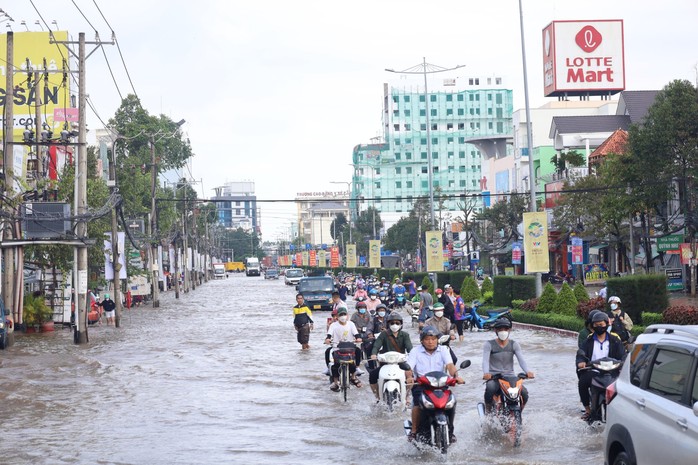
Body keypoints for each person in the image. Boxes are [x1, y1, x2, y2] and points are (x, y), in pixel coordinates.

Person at [406, 326, 464, 443]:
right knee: (417, 402)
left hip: (441, 384)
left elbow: (450, 365)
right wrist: (409, 377)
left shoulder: (443, 350)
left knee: (451, 402)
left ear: (438, 339)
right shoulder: (415, 351)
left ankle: (451, 432)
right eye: (427, 339)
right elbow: (408, 368)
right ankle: (414, 431)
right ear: (422, 340)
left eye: (433, 339)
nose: (430, 342)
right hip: (421, 385)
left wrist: (456, 377)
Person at [576, 311, 625, 420]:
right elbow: (581, 353)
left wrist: (623, 363)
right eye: (596, 325)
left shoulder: (615, 340)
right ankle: (588, 409)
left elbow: (623, 355)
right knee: (582, 382)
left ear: (606, 324)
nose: (599, 327)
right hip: (594, 371)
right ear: (593, 326)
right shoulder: (588, 340)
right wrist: (581, 362)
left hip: (612, 371)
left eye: (601, 325)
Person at [482, 318, 534, 413]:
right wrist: (486, 373)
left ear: (509, 330)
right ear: (495, 330)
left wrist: (528, 372)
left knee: (524, 393)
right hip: (494, 377)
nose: (503, 331)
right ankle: (488, 413)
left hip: (510, 377)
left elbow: (521, 360)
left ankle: (518, 412)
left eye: (505, 329)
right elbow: (485, 361)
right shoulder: (489, 344)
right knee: (490, 389)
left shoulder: (514, 344)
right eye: (500, 329)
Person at [369, 312, 413, 401]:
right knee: (372, 375)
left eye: (397, 323)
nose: (395, 325)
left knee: (410, 376)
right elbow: (377, 345)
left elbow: (409, 347)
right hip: (385, 363)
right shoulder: (384, 334)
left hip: (400, 362)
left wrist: (412, 354)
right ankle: (377, 395)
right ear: (388, 324)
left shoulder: (405, 335)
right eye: (392, 323)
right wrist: (374, 354)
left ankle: (407, 395)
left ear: (401, 324)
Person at [325, 307, 363, 391]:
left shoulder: (351, 324)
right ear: (337, 316)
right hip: (337, 348)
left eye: (344, 314)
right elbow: (329, 335)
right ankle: (335, 382)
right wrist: (327, 339)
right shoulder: (333, 325)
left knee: (357, 354)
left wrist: (358, 338)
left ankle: (353, 376)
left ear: (347, 315)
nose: (343, 316)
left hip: (349, 348)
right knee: (335, 365)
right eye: (341, 315)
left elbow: (356, 334)